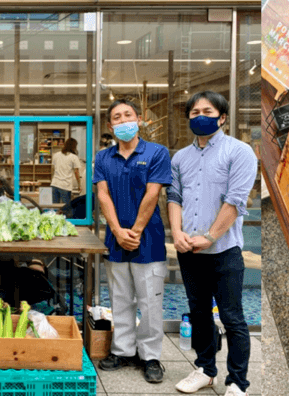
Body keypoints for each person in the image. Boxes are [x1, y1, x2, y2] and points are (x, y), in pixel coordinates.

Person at [168, 91, 257, 396]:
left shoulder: (240, 152)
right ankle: (206, 370)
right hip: (190, 251)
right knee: (199, 313)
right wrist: (177, 233)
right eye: (194, 112)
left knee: (233, 317)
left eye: (207, 111)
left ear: (222, 117)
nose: (200, 116)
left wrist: (210, 237)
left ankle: (237, 382)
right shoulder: (180, 158)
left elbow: (235, 201)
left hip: (224, 251)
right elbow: (174, 197)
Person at [94, 99, 172, 383]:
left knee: (150, 300)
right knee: (120, 298)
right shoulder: (103, 157)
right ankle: (123, 350)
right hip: (115, 240)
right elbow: (103, 195)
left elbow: (154, 193)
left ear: (138, 119)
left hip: (148, 240)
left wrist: (136, 231)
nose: (123, 120)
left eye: (128, 115)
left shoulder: (156, 153)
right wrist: (116, 231)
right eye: (117, 117)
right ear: (110, 125)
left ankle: (150, 356)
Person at [51, 137, 82, 207]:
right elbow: (76, 172)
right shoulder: (74, 157)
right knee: (66, 208)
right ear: (74, 146)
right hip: (65, 186)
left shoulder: (56, 155)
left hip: (54, 184)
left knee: (55, 208)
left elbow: (52, 170)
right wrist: (79, 185)